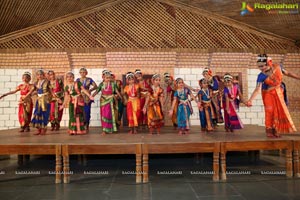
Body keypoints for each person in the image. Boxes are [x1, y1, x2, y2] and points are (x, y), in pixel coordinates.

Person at [247, 54, 296, 137]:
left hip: (279, 93)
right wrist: (250, 100)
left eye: (262, 66)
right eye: (259, 67)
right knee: (270, 111)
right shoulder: (261, 76)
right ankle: (269, 130)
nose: (261, 68)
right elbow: (257, 89)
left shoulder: (277, 68)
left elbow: (288, 73)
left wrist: (298, 77)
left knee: (278, 111)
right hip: (268, 94)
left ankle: (276, 129)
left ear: (268, 63)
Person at [76, 67, 97, 132]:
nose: (82, 74)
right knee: (80, 111)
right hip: (80, 96)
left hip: (87, 97)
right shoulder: (78, 80)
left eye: (84, 72)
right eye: (81, 72)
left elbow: (96, 86)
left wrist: (89, 90)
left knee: (87, 111)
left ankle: (87, 124)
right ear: (79, 73)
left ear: (86, 73)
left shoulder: (89, 79)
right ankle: (81, 125)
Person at [31, 70, 52, 135]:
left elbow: (51, 90)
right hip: (39, 100)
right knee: (37, 113)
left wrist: (55, 98)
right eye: (38, 75)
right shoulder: (36, 83)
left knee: (44, 114)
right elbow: (35, 91)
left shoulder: (47, 82)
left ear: (43, 75)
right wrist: (32, 93)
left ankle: (44, 129)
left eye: (41, 75)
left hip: (45, 100)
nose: (39, 76)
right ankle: (38, 129)